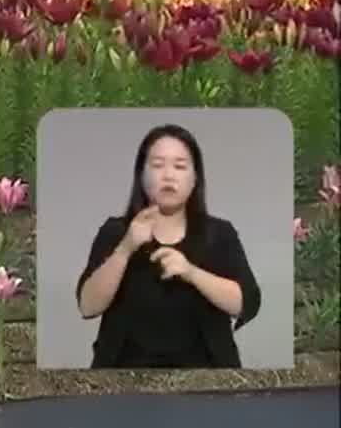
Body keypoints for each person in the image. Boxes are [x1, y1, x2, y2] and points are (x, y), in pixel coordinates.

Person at [75, 123, 260, 368]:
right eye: (158, 165)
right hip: (124, 377)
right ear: (141, 176)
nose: (169, 175)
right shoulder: (116, 232)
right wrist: (125, 249)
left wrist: (190, 272)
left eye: (180, 166)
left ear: (195, 179)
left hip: (207, 377)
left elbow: (246, 303)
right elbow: (87, 306)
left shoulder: (219, 233)